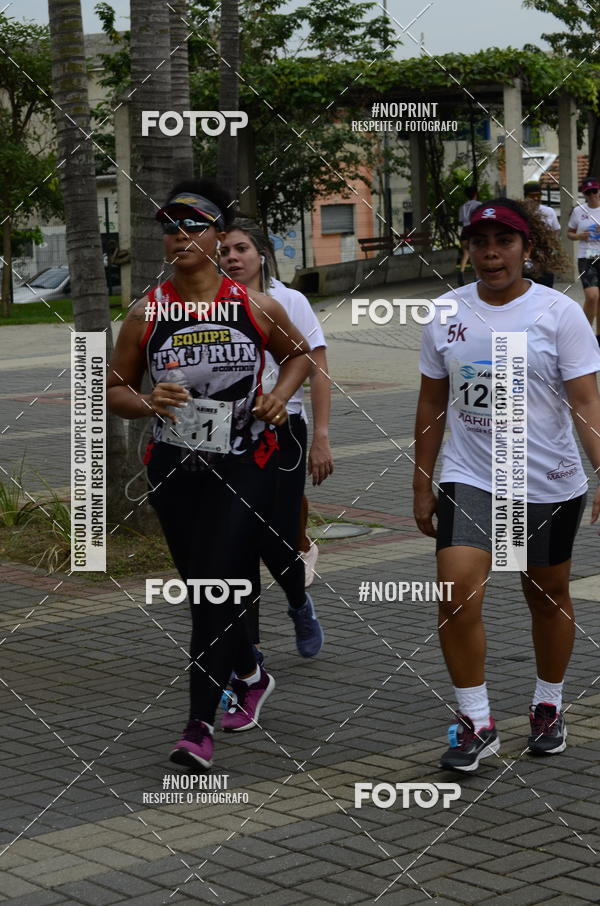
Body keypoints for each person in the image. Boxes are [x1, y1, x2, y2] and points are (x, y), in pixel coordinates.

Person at [107, 179, 311, 770]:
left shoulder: (254, 305)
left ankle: (198, 727)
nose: (181, 236)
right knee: (203, 585)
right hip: (174, 469)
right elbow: (113, 392)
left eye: (194, 225)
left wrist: (279, 395)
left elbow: (300, 356)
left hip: (245, 464)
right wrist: (149, 401)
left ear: (219, 235)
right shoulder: (147, 313)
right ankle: (248, 671)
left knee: (214, 585)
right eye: (170, 227)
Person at [413, 198, 600, 772]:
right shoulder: (446, 313)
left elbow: (587, 402)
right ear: (468, 250)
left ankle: (548, 704)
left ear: (528, 249)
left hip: (546, 481)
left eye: (504, 242)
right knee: (455, 593)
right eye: (480, 243)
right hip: (471, 477)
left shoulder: (558, 314)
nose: (491, 254)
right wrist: (423, 483)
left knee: (546, 598)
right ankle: (477, 723)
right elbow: (431, 401)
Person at [219, 218, 333, 657]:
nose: (232, 257)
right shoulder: (208, 305)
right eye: (225, 250)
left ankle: (299, 602)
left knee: (278, 536)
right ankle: (251, 651)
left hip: (285, 433)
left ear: (261, 255)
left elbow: (317, 367)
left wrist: (321, 437)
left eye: (241, 249)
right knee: (236, 539)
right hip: (228, 438)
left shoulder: (289, 301)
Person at [568, 176, 600, 343]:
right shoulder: (578, 211)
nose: (592, 195)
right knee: (592, 295)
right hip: (586, 257)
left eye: (594, 191)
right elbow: (569, 233)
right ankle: (584, 335)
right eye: (588, 192)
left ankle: (598, 339)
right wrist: (580, 236)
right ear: (584, 194)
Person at [523, 180, 560, 288]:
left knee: (546, 289)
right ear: (526, 196)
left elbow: (556, 231)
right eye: (532, 196)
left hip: (545, 259)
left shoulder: (549, 212)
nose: (535, 198)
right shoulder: (521, 212)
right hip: (527, 259)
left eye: (538, 195)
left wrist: (550, 246)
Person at [457, 186, 481, 286]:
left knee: (465, 253)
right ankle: (476, 278)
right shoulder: (479, 205)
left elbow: (461, 220)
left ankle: (461, 274)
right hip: (473, 229)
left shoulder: (462, 207)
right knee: (477, 253)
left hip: (464, 231)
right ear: (475, 194)